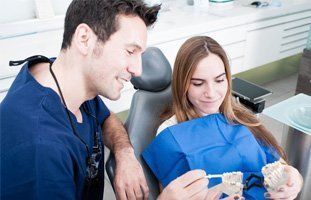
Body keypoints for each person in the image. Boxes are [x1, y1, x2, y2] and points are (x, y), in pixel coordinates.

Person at [0, 0, 161, 199]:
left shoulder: (63, 77)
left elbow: (104, 117)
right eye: (130, 51)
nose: (138, 69)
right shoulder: (41, 149)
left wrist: (124, 153)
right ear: (84, 39)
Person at [142, 36, 303, 199]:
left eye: (219, 80)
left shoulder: (241, 117)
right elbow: (171, 195)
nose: (211, 93)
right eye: (198, 83)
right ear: (182, 84)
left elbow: (280, 166)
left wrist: (294, 180)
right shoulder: (170, 133)